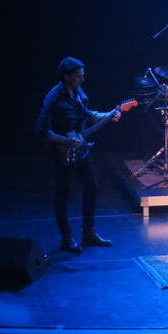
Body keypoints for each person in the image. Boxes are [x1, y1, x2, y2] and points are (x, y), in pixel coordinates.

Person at [35, 57, 120, 253]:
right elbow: (40, 129)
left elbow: (88, 113)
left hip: (81, 148)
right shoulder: (53, 98)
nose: (82, 79)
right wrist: (64, 141)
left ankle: (88, 232)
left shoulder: (78, 92)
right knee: (63, 194)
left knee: (91, 187)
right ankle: (66, 238)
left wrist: (109, 114)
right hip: (62, 151)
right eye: (78, 76)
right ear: (66, 77)